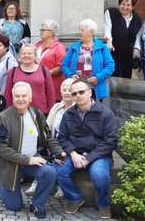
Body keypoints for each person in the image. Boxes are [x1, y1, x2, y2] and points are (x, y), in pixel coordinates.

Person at [0, 82, 63, 218]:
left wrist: (59, 152)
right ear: (12, 98)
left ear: (30, 98)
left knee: (49, 172)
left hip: (33, 159)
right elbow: (0, 148)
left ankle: (38, 204)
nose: (20, 99)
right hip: (11, 164)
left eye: (24, 96)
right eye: (17, 96)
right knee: (15, 207)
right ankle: (2, 186)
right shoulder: (3, 117)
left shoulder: (37, 114)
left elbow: (47, 137)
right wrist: (27, 159)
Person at [56, 80, 119, 219]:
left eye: (81, 92)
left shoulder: (105, 113)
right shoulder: (69, 114)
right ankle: (74, 198)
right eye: (74, 93)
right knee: (59, 172)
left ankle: (103, 204)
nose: (78, 95)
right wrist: (72, 153)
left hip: (99, 155)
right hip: (76, 154)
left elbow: (110, 141)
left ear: (90, 92)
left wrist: (89, 157)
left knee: (99, 175)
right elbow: (62, 138)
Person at [25, 78, 75, 196]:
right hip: (54, 143)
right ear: (60, 91)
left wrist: (61, 151)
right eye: (64, 89)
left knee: (60, 161)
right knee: (36, 150)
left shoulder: (78, 109)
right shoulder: (56, 107)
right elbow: (46, 127)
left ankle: (60, 186)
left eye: (70, 90)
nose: (67, 92)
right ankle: (37, 182)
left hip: (69, 146)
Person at [61, 19, 115, 101]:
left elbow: (110, 66)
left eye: (82, 30)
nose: (79, 32)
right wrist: (71, 75)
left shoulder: (102, 47)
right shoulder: (74, 47)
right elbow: (64, 65)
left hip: (95, 88)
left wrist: (98, 78)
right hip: (76, 88)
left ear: (91, 32)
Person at [4, 46, 55, 115]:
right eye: (23, 53)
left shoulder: (44, 71)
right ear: (19, 56)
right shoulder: (12, 72)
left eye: (29, 53)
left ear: (35, 56)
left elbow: (50, 93)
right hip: (18, 113)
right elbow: (8, 94)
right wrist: (9, 112)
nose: (26, 55)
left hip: (40, 113)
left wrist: (51, 112)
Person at [104, 0, 142, 79]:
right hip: (113, 52)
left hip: (128, 54)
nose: (125, 7)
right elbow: (107, 28)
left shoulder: (137, 19)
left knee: (126, 76)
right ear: (119, 4)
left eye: (128, 5)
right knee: (116, 75)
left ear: (132, 7)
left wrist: (137, 48)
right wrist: (109, 41)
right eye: (123, 4)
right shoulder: (111, 13)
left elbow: (138, 36)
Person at [33, 19, 67, 100]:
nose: (41, 32)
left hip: (52, 85)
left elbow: (61, 67)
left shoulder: (59, 47)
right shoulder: (37, 45)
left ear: (52, 32)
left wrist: (46, 73)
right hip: (38, 85)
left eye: (43, 30)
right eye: (40, 30)